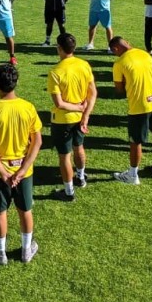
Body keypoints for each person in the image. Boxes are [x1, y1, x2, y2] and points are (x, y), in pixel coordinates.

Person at [0, 63, 43, 265]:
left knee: (0, 211)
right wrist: (22, 170)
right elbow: (37, 141)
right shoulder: (28, 107)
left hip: (0, 174)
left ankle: (0, 253)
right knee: (25, 209)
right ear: (16, 83)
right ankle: (26, 250)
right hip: (24, 172)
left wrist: (3, 172)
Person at [110, 36, 152, 184]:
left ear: (116, 49)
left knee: (135, 141)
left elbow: (119, 89)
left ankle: (133, 175)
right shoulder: (145, 54)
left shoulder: (119, 63)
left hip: (139, 106)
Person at [47, 33, 96, 199]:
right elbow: (93, 93)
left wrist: (77, 108)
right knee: (79, 147)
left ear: (59, 48)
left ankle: (69, 192)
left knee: (64, 157)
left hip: (63, 120)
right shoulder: (84, 65)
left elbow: (59, 104)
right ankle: (80, 177)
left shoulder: (55, 72)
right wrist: (85, 114)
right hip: (80, 119)